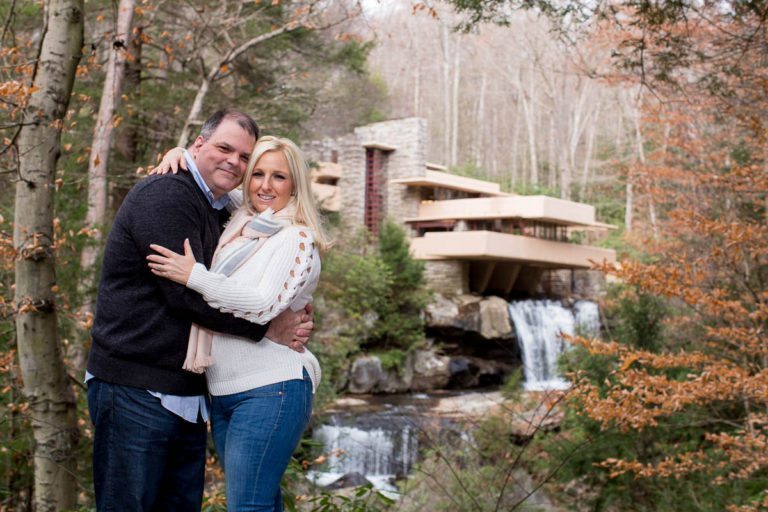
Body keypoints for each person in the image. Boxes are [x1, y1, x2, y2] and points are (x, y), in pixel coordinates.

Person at [86, 110, 313, 512]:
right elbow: (184, 296)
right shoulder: (168, 195)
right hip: (136, 386)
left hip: (187, 393)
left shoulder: (226, 208)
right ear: (198, 145)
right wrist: (266, 329)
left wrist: (284, 315)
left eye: (244, 157)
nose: (235, 163)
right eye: (224, 148)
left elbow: (267, 203)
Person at [147, 135, 329, 511]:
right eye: (258, 173)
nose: (265, 185)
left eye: (279, 177)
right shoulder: (243, 224)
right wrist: (182, 154)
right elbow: (210, 178)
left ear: (295, 184)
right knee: (259, 504)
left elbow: (262, 306)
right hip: (225, 393)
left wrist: (194, 276)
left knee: (248, 507)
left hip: (270, 389)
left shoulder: (295, 238)